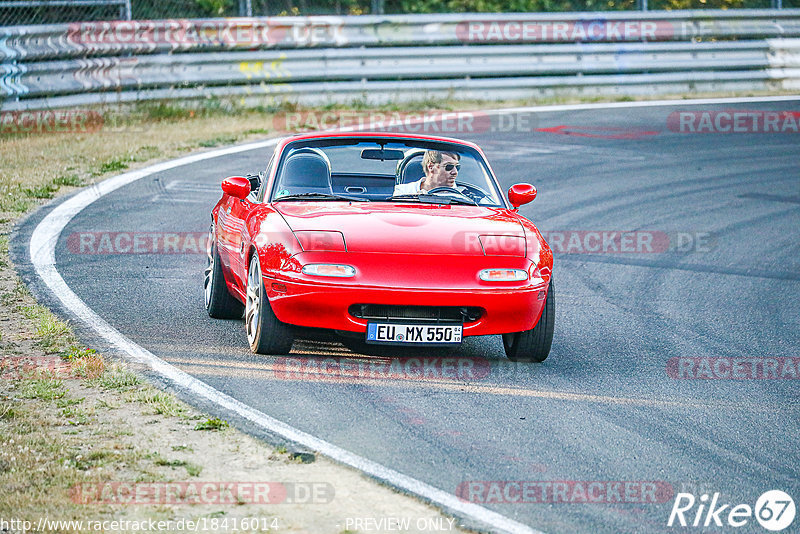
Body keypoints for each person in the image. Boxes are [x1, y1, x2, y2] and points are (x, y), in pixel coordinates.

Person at [393, 150, 461, 196]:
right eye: (449, 166)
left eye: (457, 167)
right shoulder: (403, 192)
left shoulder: (462, 197)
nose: (455, 172)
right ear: (431, 167)